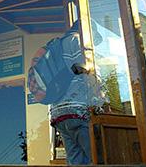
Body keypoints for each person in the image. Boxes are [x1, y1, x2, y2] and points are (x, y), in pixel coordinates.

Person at [28, 23, 106, 165]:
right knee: (95, 159)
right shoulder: (77, 40)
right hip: (79, 109)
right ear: (87, 31)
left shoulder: (56, 45)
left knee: (75, 161)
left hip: (59, 114)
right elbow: (91, 73)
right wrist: (102, 98)